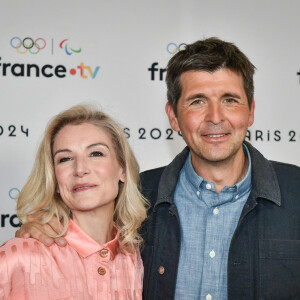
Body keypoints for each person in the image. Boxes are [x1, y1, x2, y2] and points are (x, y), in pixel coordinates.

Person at [16, 38, 300, 300]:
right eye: (197, 101)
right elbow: (80, 242)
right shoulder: (134, 197)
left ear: (250, 111)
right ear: (173, 117)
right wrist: (39, 231)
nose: (215, 117)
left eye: (229, 100)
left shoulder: (296, 192)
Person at [1, 105, 147, 300]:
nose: (80, 169)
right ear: (55, 180)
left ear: (122, 169)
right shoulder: (19, 256)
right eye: (65, 158)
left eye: (96, 154)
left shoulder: (136, 258)